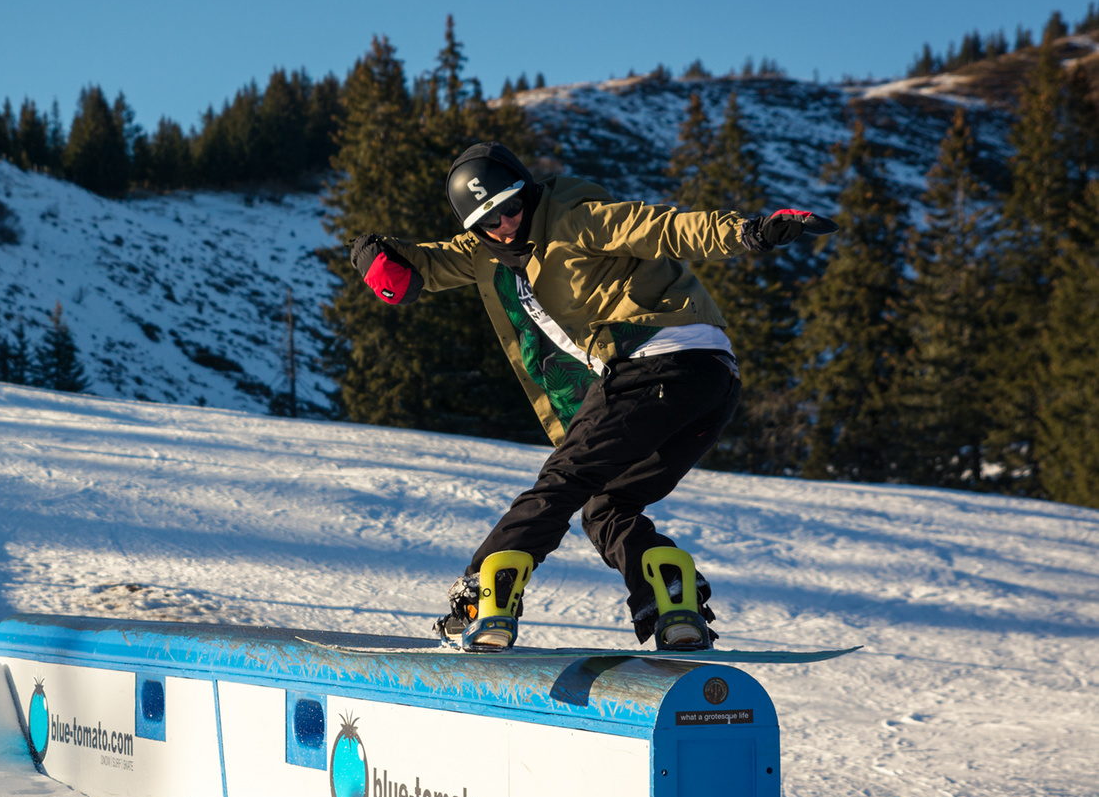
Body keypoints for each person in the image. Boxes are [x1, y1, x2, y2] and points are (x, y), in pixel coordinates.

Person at [350, 142, 834, 651]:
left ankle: (482, 597)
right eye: (489, 221)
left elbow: (660, 227)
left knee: (561, 482)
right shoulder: (483, 253)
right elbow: (423, 268)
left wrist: (747, 231)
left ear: (527, 190)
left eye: (512, 206)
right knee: (608, 506)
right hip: (708, 382)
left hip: (658, 361)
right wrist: (369, 254)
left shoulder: (574, 218)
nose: (506, 225)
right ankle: (673, 600)